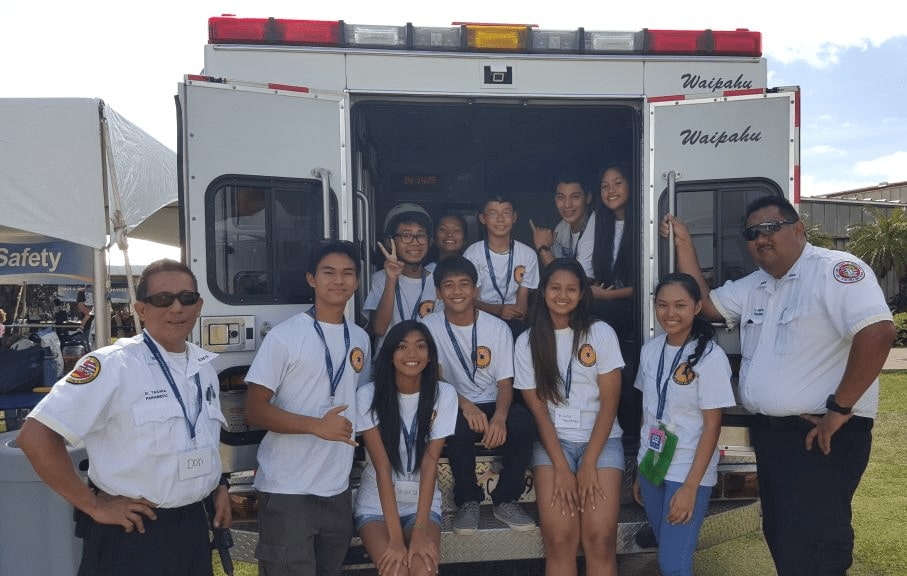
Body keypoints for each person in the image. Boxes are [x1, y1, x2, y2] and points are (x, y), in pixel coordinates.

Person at [662, 195, 895, 576]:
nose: (761, 238)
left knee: (817, 547)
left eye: (771, 228)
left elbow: (878, 332)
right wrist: (685, 243)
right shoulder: (756, 285)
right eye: (752, 233)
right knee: (785, 539)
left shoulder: (835, 270)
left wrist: (839, 410)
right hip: (775, 439)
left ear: (798, 230)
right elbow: (704, 305)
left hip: (821, 436)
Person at [16, 259, 231, 576]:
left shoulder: (204, 370)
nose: (176, 308)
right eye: (162, 299)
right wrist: (93, 506)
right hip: (134, 534)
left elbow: (199, 438)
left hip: (194, 529)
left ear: (198, 305)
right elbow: (35, 437)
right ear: (141, 309)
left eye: (186, 298)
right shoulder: (113, 366)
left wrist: (218, 486)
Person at [245, 240, 372, 576]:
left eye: (347, 273)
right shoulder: (285, 337)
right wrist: (316, 425)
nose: (338, 280)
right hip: (288, 489)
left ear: (357, 282)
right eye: (328, 272)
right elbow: (255, 410)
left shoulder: (360, 339)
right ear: (311, 279)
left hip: (336, 488)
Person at [513, 258, 624, 576]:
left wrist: (589, 463)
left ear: (582, 294)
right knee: (560, 541)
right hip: (553, 445)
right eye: (555, 288)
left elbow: (610, 404)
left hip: (601, 443)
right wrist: (562, 466)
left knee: (600, 540)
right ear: (543, 291)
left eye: (571, 289)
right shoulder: (528, 341)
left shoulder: (600, 333)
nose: (563, 295)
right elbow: (537, 408)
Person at [420, 256, 537, 535]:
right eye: (448, 285)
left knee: (522, 423)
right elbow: (433, 378)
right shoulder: (428, 326)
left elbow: (505, 383)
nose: (457, 291)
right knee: (455, 428)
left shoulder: (496, 327)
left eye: (464, 284)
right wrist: (465, 405)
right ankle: (468, 501)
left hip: (493, 400)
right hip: (451, 400)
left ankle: (506, 499)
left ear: (476, 290)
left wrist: (499, 416)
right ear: (438, 292)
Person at [631, 273, 735, 576]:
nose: (670, 313)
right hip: (652, 464)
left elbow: (713, 427)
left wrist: (691, 487)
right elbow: (648, 411)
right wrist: (641, 467)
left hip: (687, 469)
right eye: (662, 305)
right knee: (667, 549)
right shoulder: (650, 350)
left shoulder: (710, 358)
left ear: (697, 307)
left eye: (679, 305)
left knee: (673, 564)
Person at [354, 320, 458, 576]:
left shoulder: (443, 394)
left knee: (423, 571)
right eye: (402, 347)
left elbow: (430, 462)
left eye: (420, 347)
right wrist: (396, 539)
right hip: (376, 507)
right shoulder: (368, 395)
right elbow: (382, 467)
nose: (412, 354)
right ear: (390, 355)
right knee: (396, 570)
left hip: (421, 507)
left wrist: (420, 531)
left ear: (430, 355)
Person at [590, 162, 641, 441]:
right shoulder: (601, 223)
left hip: (632, 317)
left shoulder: (645, 219)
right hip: (610, 315)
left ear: (632, 185)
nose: (611, 190)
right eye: (605, 185)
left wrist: (608, 295)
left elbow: (645, 283)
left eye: (618, 182)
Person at [364, 203, 437, 350]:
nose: (415, 242)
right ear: (389, 242)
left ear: (429, 241)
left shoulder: (439, 279)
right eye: (406, 236)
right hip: (388, 365)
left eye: (421, 235)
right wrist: (391, 279)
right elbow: (379, 329)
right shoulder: (378, 279)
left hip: (428, 364)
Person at [463, 195, 539, 335]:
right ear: (482, 219)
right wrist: (498, 310)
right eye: (493, 213)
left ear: (514, 217)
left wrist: (515, 317)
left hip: (514, 320)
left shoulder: (528, 255)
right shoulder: (473, 254)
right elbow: (470, 299)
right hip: (479, 319)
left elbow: (522, 301)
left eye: (506, 212)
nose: (500, 219)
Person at [530, 172, 596, 279]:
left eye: (575, 196)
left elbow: (573, 282)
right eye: (561, 197)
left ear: (588, 197)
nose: (567, 205)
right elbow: (556, 267)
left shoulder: (595, 229)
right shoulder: (562, 227)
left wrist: (543, 248)